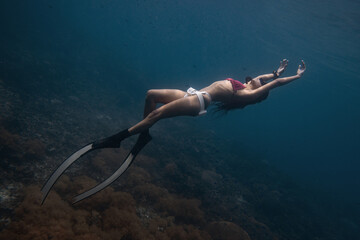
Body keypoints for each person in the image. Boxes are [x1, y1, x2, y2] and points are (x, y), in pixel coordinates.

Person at [41, 59, 306, 204]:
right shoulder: (249, 85)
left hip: (199, 102)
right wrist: (275, 71)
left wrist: (294, 76)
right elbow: (265, 78)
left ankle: (117, 139)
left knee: (156, 114)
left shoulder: (250, 95)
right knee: (151, 95)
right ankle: (144, 135)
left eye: (262, 82)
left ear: (259, 92)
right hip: (194, 93)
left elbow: (274, 85)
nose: (258, 79)